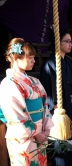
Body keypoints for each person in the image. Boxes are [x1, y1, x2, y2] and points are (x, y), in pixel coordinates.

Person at [0, 38, 53, 166]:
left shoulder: (35, 81)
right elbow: (16, 115)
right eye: (30, 57)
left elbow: (44, 105)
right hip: (23, 138)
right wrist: (37, 133)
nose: (34, 61)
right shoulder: (9, 83)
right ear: (17, 59)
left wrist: (46, 128)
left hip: (40, 132)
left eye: (33, 57)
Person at [39, 29, 72, 165]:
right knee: (60, 148)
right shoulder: (49, 64)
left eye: (71, 41)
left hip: (71, 109)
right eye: (67, 41)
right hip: (58, 112)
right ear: (58, 42)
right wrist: (55, 107)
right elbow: (47, 91)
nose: (70, 44)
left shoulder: (68, 63)